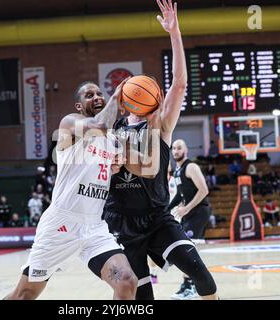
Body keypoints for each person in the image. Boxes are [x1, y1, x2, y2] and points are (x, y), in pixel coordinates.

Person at [103, 0, 217, 300]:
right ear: (128, 99)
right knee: (142, 297)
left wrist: (174, 32)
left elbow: (179, 84)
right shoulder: (111, 132)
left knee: (200, 272)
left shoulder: (161, 126)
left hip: (157, 216)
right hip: (120, 222)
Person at [4, 76, 155, 300]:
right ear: (78, 105)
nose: (96, 97)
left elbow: (148, 168)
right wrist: (116, 95)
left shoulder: (113, 141)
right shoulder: (70, 123)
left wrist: (153, 119)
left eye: (99, 94)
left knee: (126, 281)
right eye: (89, 95)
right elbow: (100, 126)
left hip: (94, 226)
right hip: (60, 224)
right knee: (25, 294)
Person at [167, 139, 212, 300]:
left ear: (185, 150)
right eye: (174, 148)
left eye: (179, 148)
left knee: (186, 250)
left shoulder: (191, 166)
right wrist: (164, 209)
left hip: (199, 211)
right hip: (189, 213)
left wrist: (187, 208)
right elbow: (179, 195)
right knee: (184, 249)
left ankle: (192, 285)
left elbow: (204, 190)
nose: (176, 151)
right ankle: (188, 284)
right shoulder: (178, 170)